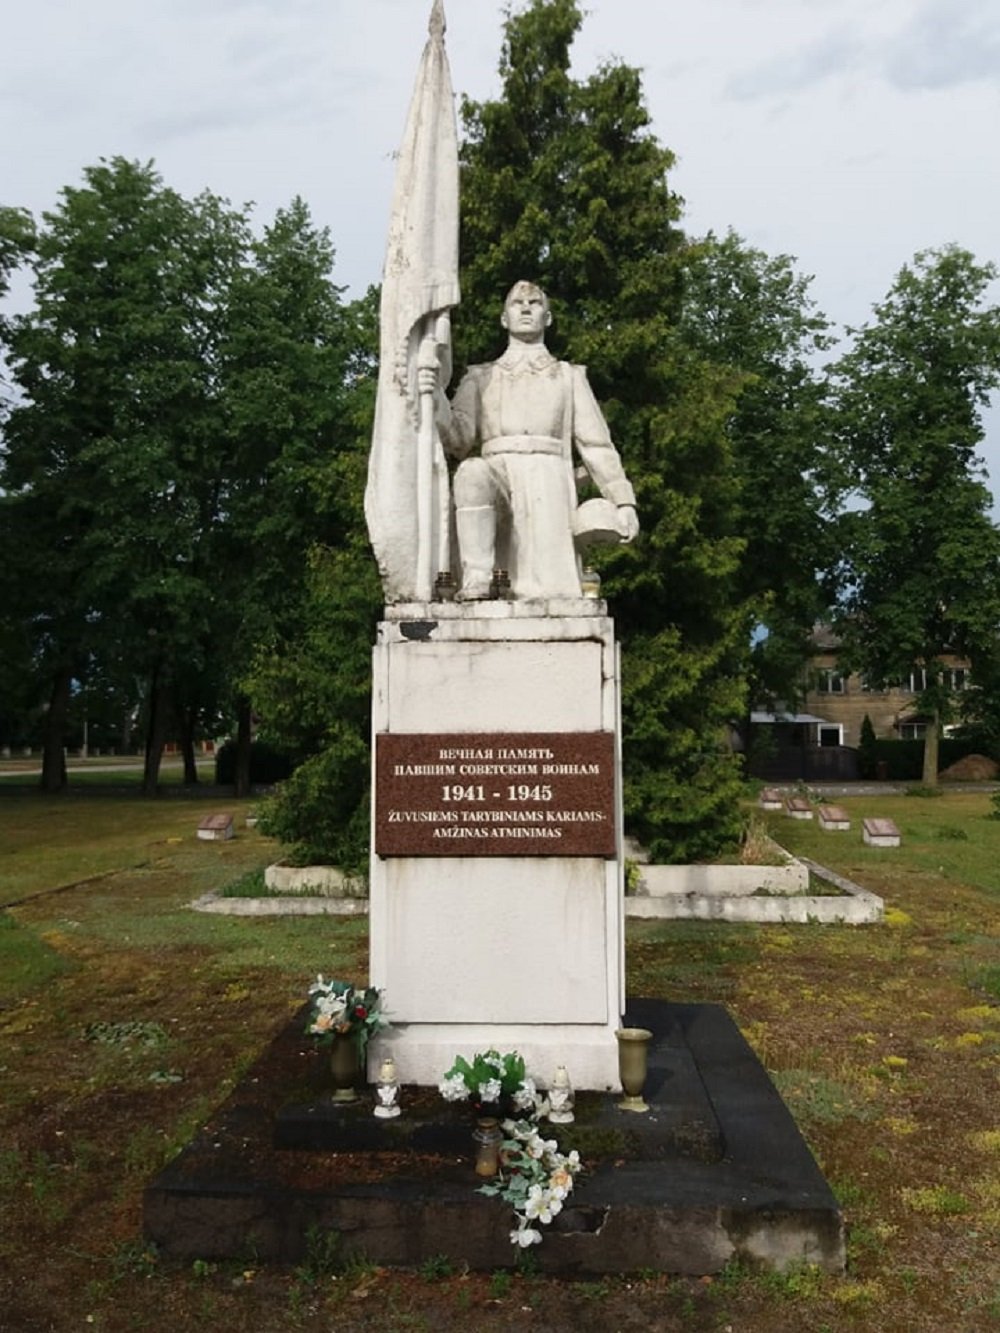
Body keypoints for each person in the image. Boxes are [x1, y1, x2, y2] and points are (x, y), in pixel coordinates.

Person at [424, 281, 639, 601]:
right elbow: (458, 439)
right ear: (504, 318)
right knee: (470, 472)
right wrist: (435, 398)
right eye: (517, 303)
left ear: (547, 318)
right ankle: (478, 579)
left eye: (534, 303)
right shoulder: (480, 376)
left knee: (551, 594)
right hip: (498, 477)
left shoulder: (568, 376)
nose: (525, 308)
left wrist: (623, 502)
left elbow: (596, 446)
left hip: (547, 485)